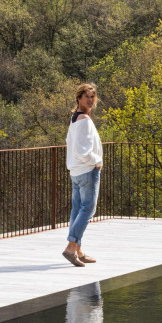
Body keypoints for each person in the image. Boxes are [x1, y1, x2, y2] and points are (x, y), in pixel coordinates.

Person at [63, 82, 102, 267]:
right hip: (87, 170)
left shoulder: (75, 118)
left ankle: (78, 250)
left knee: (77, 210)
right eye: (87, 96)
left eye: (92, 96)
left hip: (76, 171)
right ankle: (71, 247)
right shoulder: (84, 121)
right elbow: (82, 150)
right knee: (88, 209)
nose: (90, 100)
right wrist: (96, 161)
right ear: (79, 98)